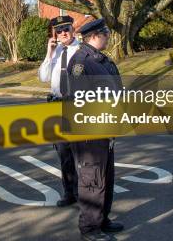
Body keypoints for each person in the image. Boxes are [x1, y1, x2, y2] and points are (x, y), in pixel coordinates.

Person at [67, 18, 124, 241]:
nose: (109, 36)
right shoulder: (81, 62)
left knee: (106, 177)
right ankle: (89, 228)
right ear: (94, 36)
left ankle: (101, 220)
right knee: (92, 179)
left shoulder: (99, 60)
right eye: (106, 33)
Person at [38, 15, 80, 207]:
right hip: (57, 107)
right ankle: (69, 192)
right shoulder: (55, 53)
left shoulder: (81, 50)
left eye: (66, 29)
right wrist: (49, 52)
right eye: (59, 30)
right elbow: (43, 77)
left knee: (83, 154)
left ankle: (86, 193)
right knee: (64, 154)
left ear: (73, 30)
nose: (63, 33)